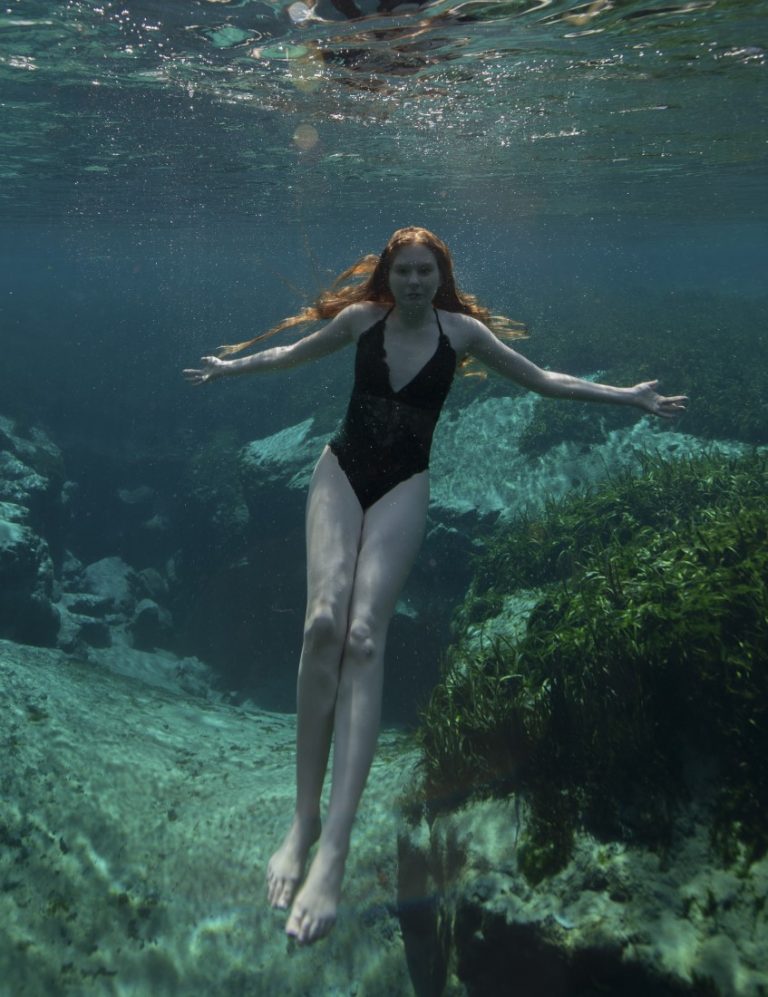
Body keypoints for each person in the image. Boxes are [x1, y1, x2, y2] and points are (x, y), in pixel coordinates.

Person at [182, 226, 687, 945]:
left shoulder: (465, 333)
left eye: (426, 272)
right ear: (389, 275)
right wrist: (229, 368)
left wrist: (628, 396)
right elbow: (289, 358)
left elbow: (543, 379)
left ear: (440, 276)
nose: (415, 281)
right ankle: (303, 822)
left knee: (362, 636)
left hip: (404, 485)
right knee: (322, 623)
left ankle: (335, 847)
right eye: (405, 271)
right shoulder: (362, 321)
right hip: (341, 471)